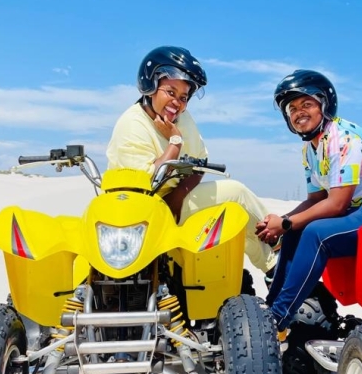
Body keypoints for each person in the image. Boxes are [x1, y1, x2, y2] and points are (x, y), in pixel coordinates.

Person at [256, 69, 362, 340]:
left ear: (324, 105)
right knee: (297, 230)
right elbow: (315, 200)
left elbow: (336, 204)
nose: (299, 112)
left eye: (307, 104)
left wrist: (286, 222)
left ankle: (278, 319)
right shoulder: (310, 148)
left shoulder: (342, 137)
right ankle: (271, 307)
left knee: (316, 234)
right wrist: (282, 222)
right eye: (292, 108)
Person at [106, 46, 277, 280]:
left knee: (234, 214)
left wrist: (179, 197)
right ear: (151, 86)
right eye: (170, 91)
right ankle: (277, 240)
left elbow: (200, 162)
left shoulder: (183, 119)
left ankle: (274, 267)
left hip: (175, 201)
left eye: (184, 97)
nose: (177, 102)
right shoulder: (132, 123)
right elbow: (147, 185)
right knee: (236, 192)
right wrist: (175, 142)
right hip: (139, 214)